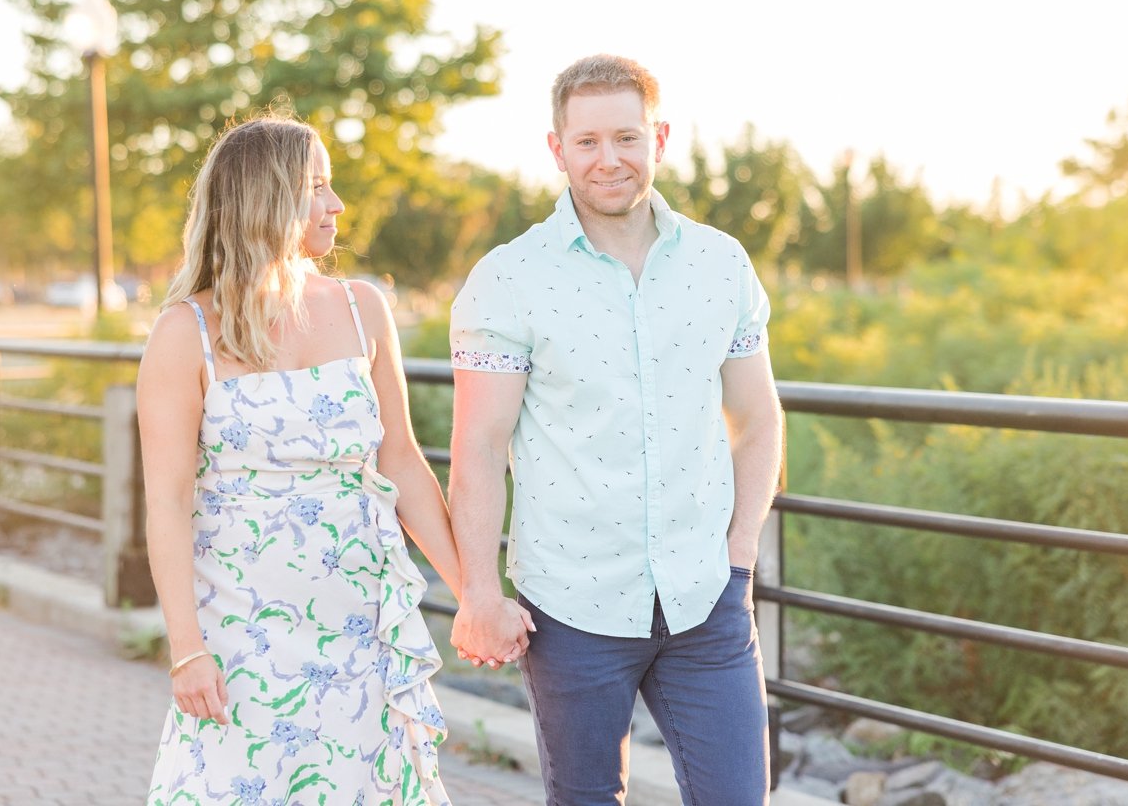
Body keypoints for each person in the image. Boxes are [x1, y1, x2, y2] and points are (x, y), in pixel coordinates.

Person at [448, 55, 784, 805]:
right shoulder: (509, 278)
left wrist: (738, 555)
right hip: (570, 608)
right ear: (557, 148)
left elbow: (759, 419)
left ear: (659, 138)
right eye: (589, 142)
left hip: (706, 600)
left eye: (627, 139)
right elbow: (478, 447)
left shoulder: (720, 263)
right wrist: (479, 590)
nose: (610, 161)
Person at [138, 115, 475, 805]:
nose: (336, 205)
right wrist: (186, 648)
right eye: (317, 186)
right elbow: (167, 503)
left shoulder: (362, 308)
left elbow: (402, 462)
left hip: (359, 622)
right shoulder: (183, 333)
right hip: (240, 632)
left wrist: (476, 595)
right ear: (267, 198)